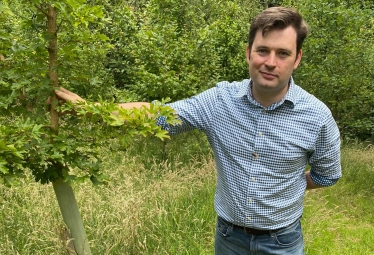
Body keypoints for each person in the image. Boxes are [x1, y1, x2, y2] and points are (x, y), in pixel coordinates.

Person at [54, 7, 341, 255]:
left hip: (283, 242)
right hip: (229, 238)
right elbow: (160, 116)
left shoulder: (316, 116)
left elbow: (326, 175)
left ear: (297, 59)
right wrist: (94, 110)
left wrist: (286, 186)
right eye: (262, 50)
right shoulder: (219, 102)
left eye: (282, 53)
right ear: (248, 52)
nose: (270, 62)